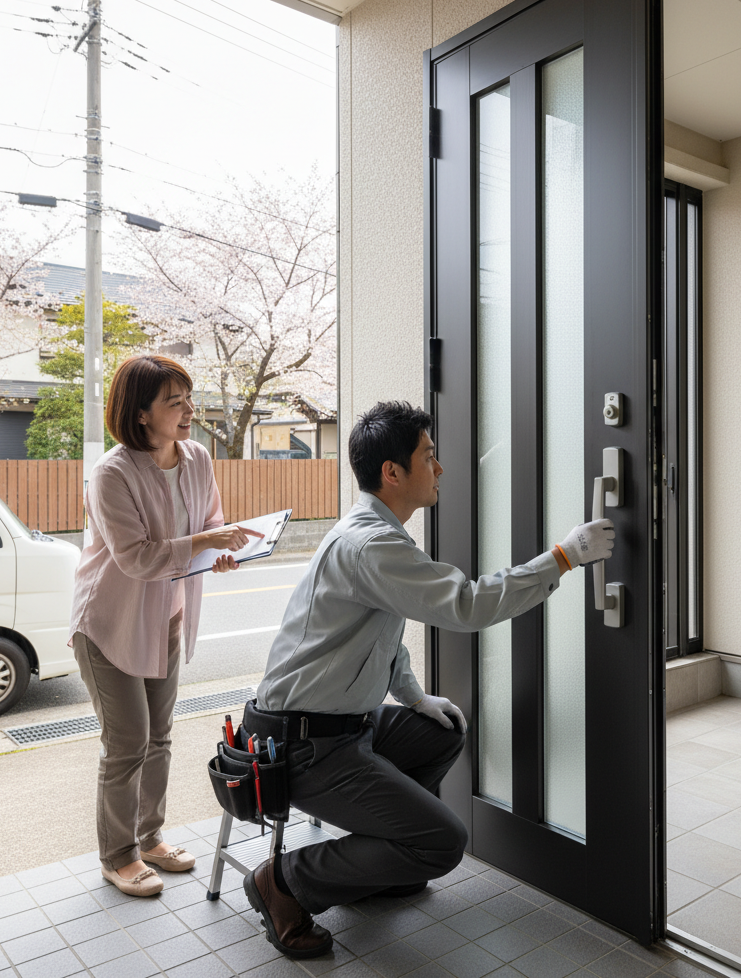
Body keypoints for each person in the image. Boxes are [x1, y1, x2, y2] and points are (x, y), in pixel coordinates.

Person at [241, 400, 615, 956]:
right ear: (392, 473)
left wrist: (413, 697)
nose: (439, 470)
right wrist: (561, 557)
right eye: (429, 457)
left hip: (340, 726)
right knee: (445, 843)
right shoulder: (370, 543)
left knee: (443, 730)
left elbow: (379, 635)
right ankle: (287, 879)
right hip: (304, 745)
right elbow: (464, 604)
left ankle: (379, 862)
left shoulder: (373, 531)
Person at [69, 354, 261, 897]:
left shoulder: (197, 456)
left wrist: (221, 548)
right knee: (127, 742)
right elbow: (135, 558)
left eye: (187, 399)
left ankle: (150, 838)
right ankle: (117, 854)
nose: (188, 411)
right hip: (109, 621)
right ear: (140, 413)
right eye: (173, 402)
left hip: (167, 616)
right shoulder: (112, 472)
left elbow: (211, 522)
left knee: (159, 736)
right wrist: (203, 544)